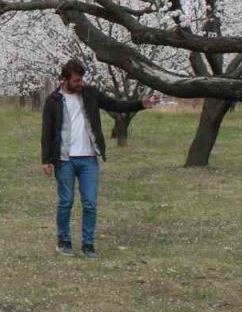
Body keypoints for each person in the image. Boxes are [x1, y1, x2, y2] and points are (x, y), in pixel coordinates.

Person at [41, 59, 158, 258]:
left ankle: (88, 244)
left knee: (90, 203)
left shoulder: (90, 94)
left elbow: (116, 104)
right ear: (64, 79)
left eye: (81, 80)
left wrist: (140, 104)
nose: (80, 84)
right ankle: (64, 240)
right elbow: (47, 131)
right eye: (76, 80)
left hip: (88, 159)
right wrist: (46, 160)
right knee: (66, 202)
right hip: (65, 159)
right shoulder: (53, 101)